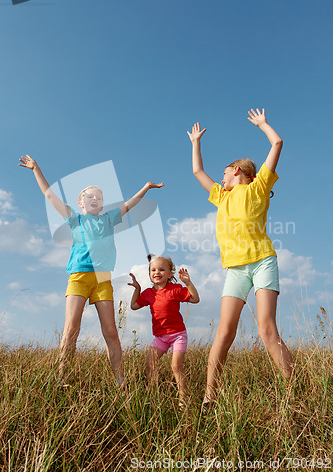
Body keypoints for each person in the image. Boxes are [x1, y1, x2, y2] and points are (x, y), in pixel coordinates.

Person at [19, 154, 163, 385]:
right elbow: (49, 194)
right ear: (81, 202)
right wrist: (36, 168)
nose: (95, 198)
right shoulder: (74, 220)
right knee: (71, 328)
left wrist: (145, 187)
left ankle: (120, 381)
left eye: (99, 197)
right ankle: (61, 377)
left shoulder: (108, 219)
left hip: (103, 281)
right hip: (79, 278)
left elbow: (129, 203)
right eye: (90, 196)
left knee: (111, 332)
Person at [187, 108, 293, 405]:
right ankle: (210, 395)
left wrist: (263, 125)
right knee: (224, 332)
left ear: (237, 171)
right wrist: (195, 142)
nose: (220, 178)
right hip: (235, 269)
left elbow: (277, 144)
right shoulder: (221, 196)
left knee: (266, 328)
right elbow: (197, 171)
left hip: (262, 262)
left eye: (224, 172)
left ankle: (291, 389)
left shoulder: (258, 188)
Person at [128, 255, 199, 406]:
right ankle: (153, 396)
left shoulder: (175, 289)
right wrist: (138, 289)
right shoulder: (148, 293)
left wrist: (188, 283)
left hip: (177, 335)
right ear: (149, 274)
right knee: (149, 364)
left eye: (161, 269)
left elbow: (194, 299)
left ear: (170, 274)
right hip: (160, 337)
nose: (157, 272)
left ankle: (183, 400)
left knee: (176, 366)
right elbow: (133, 305)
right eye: (153, 270)